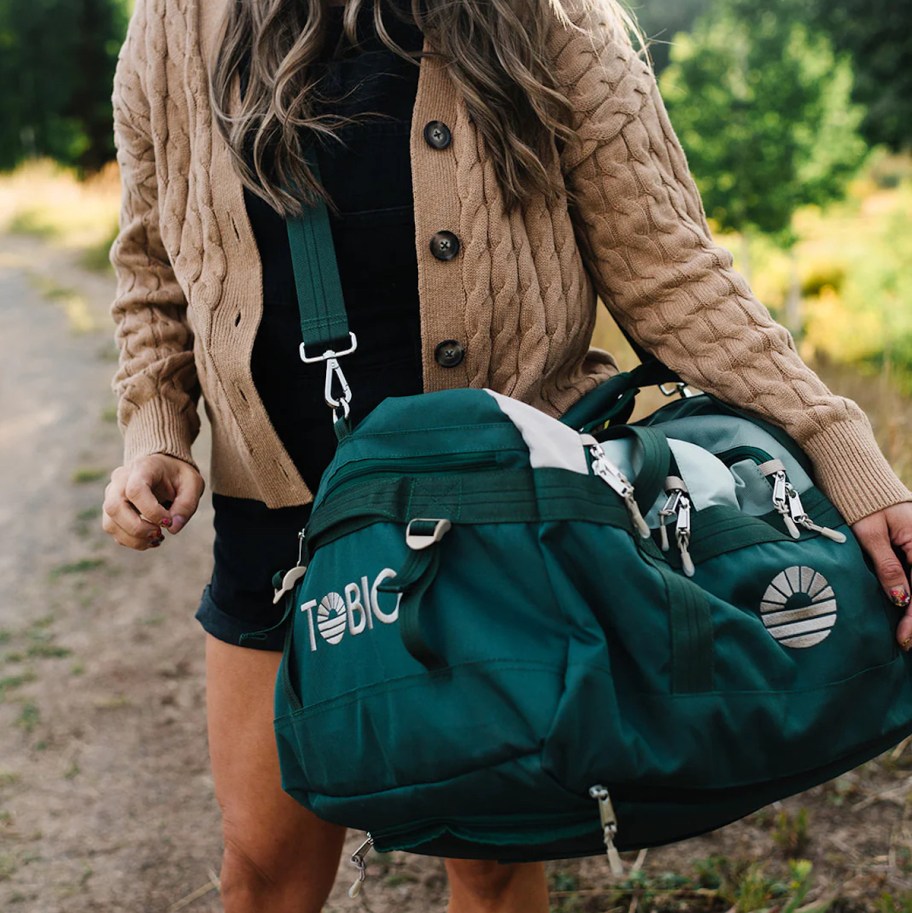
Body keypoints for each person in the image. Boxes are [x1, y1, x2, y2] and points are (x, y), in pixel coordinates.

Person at [101, 0, 912, 909]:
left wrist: (843, 448)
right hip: (283, 515)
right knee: (264, 866)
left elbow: (672, 269)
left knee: (494, 852)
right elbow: (153, 263)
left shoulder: (555, 18)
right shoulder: (175, 24)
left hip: (506, 513)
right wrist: (156, 430)